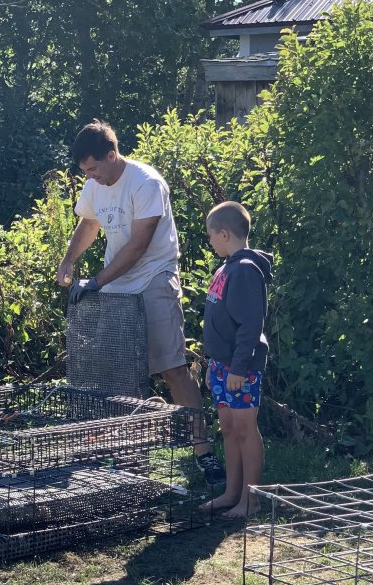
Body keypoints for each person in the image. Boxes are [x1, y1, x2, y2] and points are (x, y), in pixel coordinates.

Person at [56, 119, 225, 484]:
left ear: (112, 155)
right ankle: (127, 458)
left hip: (153, 278)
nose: (90, 177)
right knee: (116, 374)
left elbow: (138, 245)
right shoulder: (95, 185)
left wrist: (96, 282)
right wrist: (68, 261)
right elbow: (89, 224)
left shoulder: (146, 183)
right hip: (115, 286)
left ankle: (204, 452)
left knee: (172, 368)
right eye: (85, 172)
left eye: (93, 169)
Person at [198, 201, 272, 519]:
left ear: (225, 234)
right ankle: (231, 493)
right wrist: (211, 364)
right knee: (228, 427)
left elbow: (251, 324)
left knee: (244, 428)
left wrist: (239, 368)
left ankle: (250, 499)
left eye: (211, 235)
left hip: (240, 368)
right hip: (221, 365)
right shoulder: (225, 268)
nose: (210, 241)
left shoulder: (244, 270)